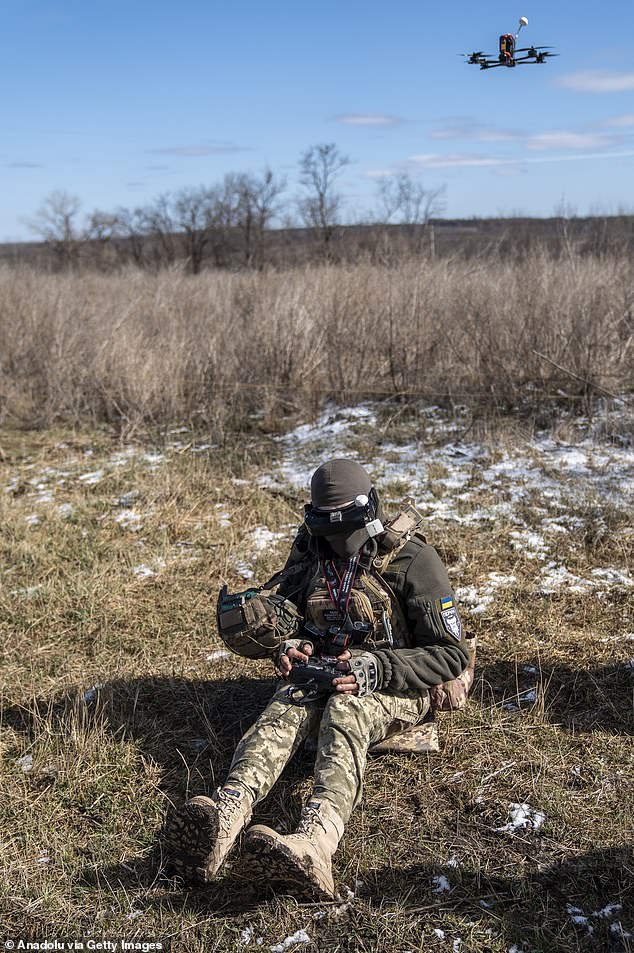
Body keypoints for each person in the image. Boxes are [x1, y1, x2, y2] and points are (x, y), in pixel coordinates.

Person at [165, 458, 473, 899]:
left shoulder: (414, 560)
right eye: (326, 532)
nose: (337, 545)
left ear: (369, 513)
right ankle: (225, 817)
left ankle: (315, 844)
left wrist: (376, 668)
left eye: (344, 533)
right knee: (288, 702)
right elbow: (290, 610)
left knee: (348, 707)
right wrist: (289, 646)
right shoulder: (312, 545)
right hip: (326, 666)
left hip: (398, 679)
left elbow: (450, 655)